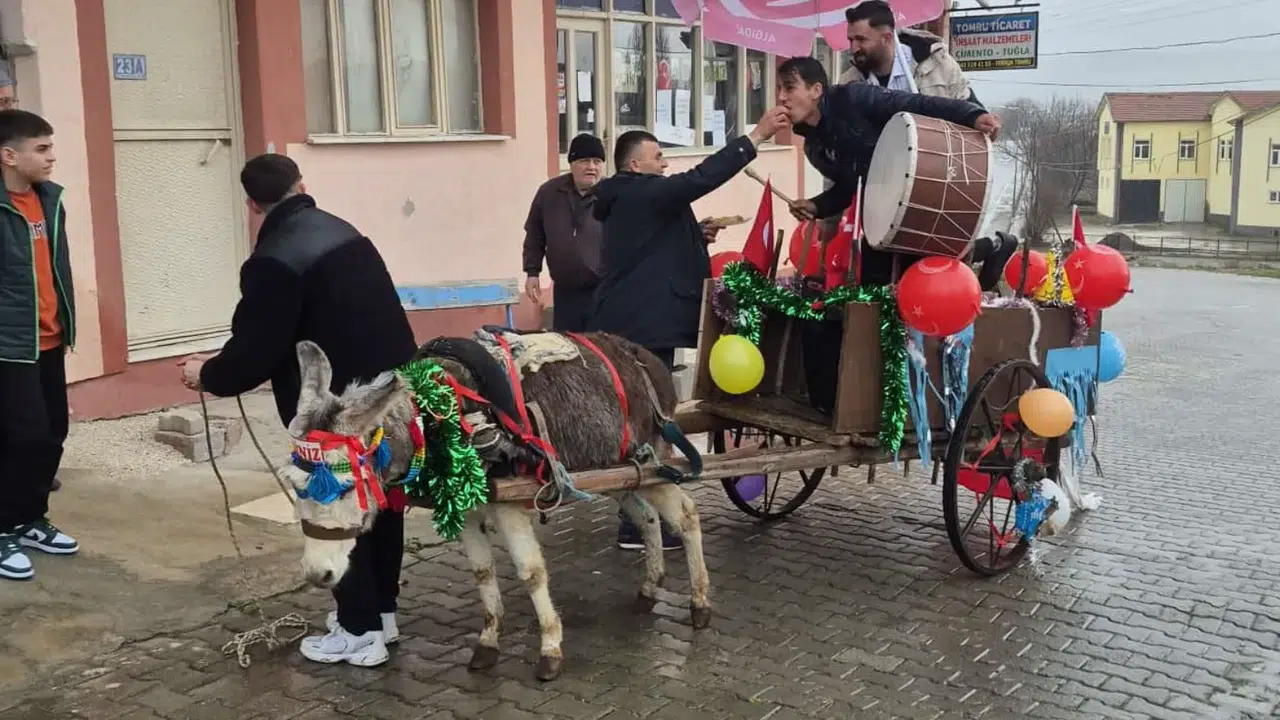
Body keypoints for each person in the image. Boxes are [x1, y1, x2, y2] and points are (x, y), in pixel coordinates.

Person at [178, 153, 415, 667]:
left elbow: (256, 349)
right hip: (388, 399)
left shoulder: (274, 258)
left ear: (251, 205)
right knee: (378, 503)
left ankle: (357, 632)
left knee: (332, 510)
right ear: (301, 186)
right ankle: (383, 616)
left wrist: (209, 374)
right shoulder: (344, 230)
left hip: (331, 415)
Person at [590, 106, 791, 550]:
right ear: (634, 164)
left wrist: (694, 236)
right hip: (644, 324)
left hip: (632, 318)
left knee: (642, 420)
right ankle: (639, 524)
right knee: (649, 422)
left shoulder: (627, 197)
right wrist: (755, 135)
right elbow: (700, 178)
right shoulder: (642, 191)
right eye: (657, 156)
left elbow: (648, 246)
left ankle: (637, 519)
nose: (665, 164)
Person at [0, 110, 79, 581]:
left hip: (47, 339)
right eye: (41, 149)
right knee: (22, 436)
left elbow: (54, 269)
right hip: (8, 346)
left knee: (53, 432)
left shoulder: (49, 200)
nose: (51, 158)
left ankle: (30, 518)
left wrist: (64, 325)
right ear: (9, 155)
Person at [523, 133, 605, 332]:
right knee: (569, 346)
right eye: (585, 161)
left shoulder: (611, 194)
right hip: (566, 292)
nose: (592, 167)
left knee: (601, 349)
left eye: (597, 161)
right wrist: (532, 272)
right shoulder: (549, 193)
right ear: (571, 163)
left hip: (603, 291)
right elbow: (535, 234)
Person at [841, 1, 977, 104]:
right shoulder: (848, 83)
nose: (854, 48)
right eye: (851, 40)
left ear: (887, 38)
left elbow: (974, 115)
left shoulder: (939, 65)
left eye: (861, 40)